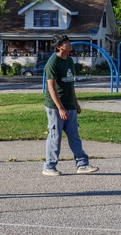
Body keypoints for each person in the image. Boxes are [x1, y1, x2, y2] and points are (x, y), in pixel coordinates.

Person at [42, 34, 99, 176]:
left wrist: (76, 103)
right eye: (66, 42)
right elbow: (51, 87)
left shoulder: (69, 60)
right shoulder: (53, 63)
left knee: (74, 135)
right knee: (55, 136)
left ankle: (82, 164)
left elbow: (70, 84)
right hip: (56, 106)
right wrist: (60, 108)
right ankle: (49, 166)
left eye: (68, 41)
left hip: (69, 104)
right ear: (59, 46)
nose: (69, 44)